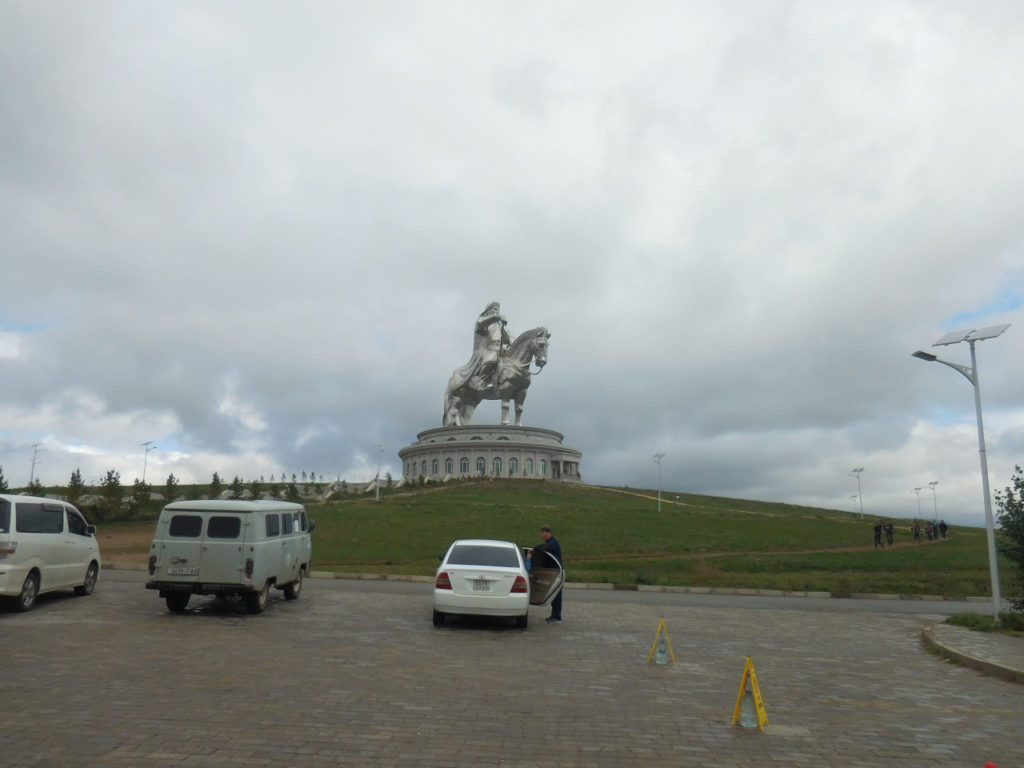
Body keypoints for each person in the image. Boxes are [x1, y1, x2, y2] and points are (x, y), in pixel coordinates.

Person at [527, 525, 563, 623]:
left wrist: (534, 548)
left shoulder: (552, 543)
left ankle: (557, 617)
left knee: (556, 596)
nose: (542, 536)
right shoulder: (551, 542)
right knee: (554, 595)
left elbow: (543, 548)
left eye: (543, 534)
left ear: (548, 533)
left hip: (556, 572)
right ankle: (555, 615)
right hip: (554, 572)